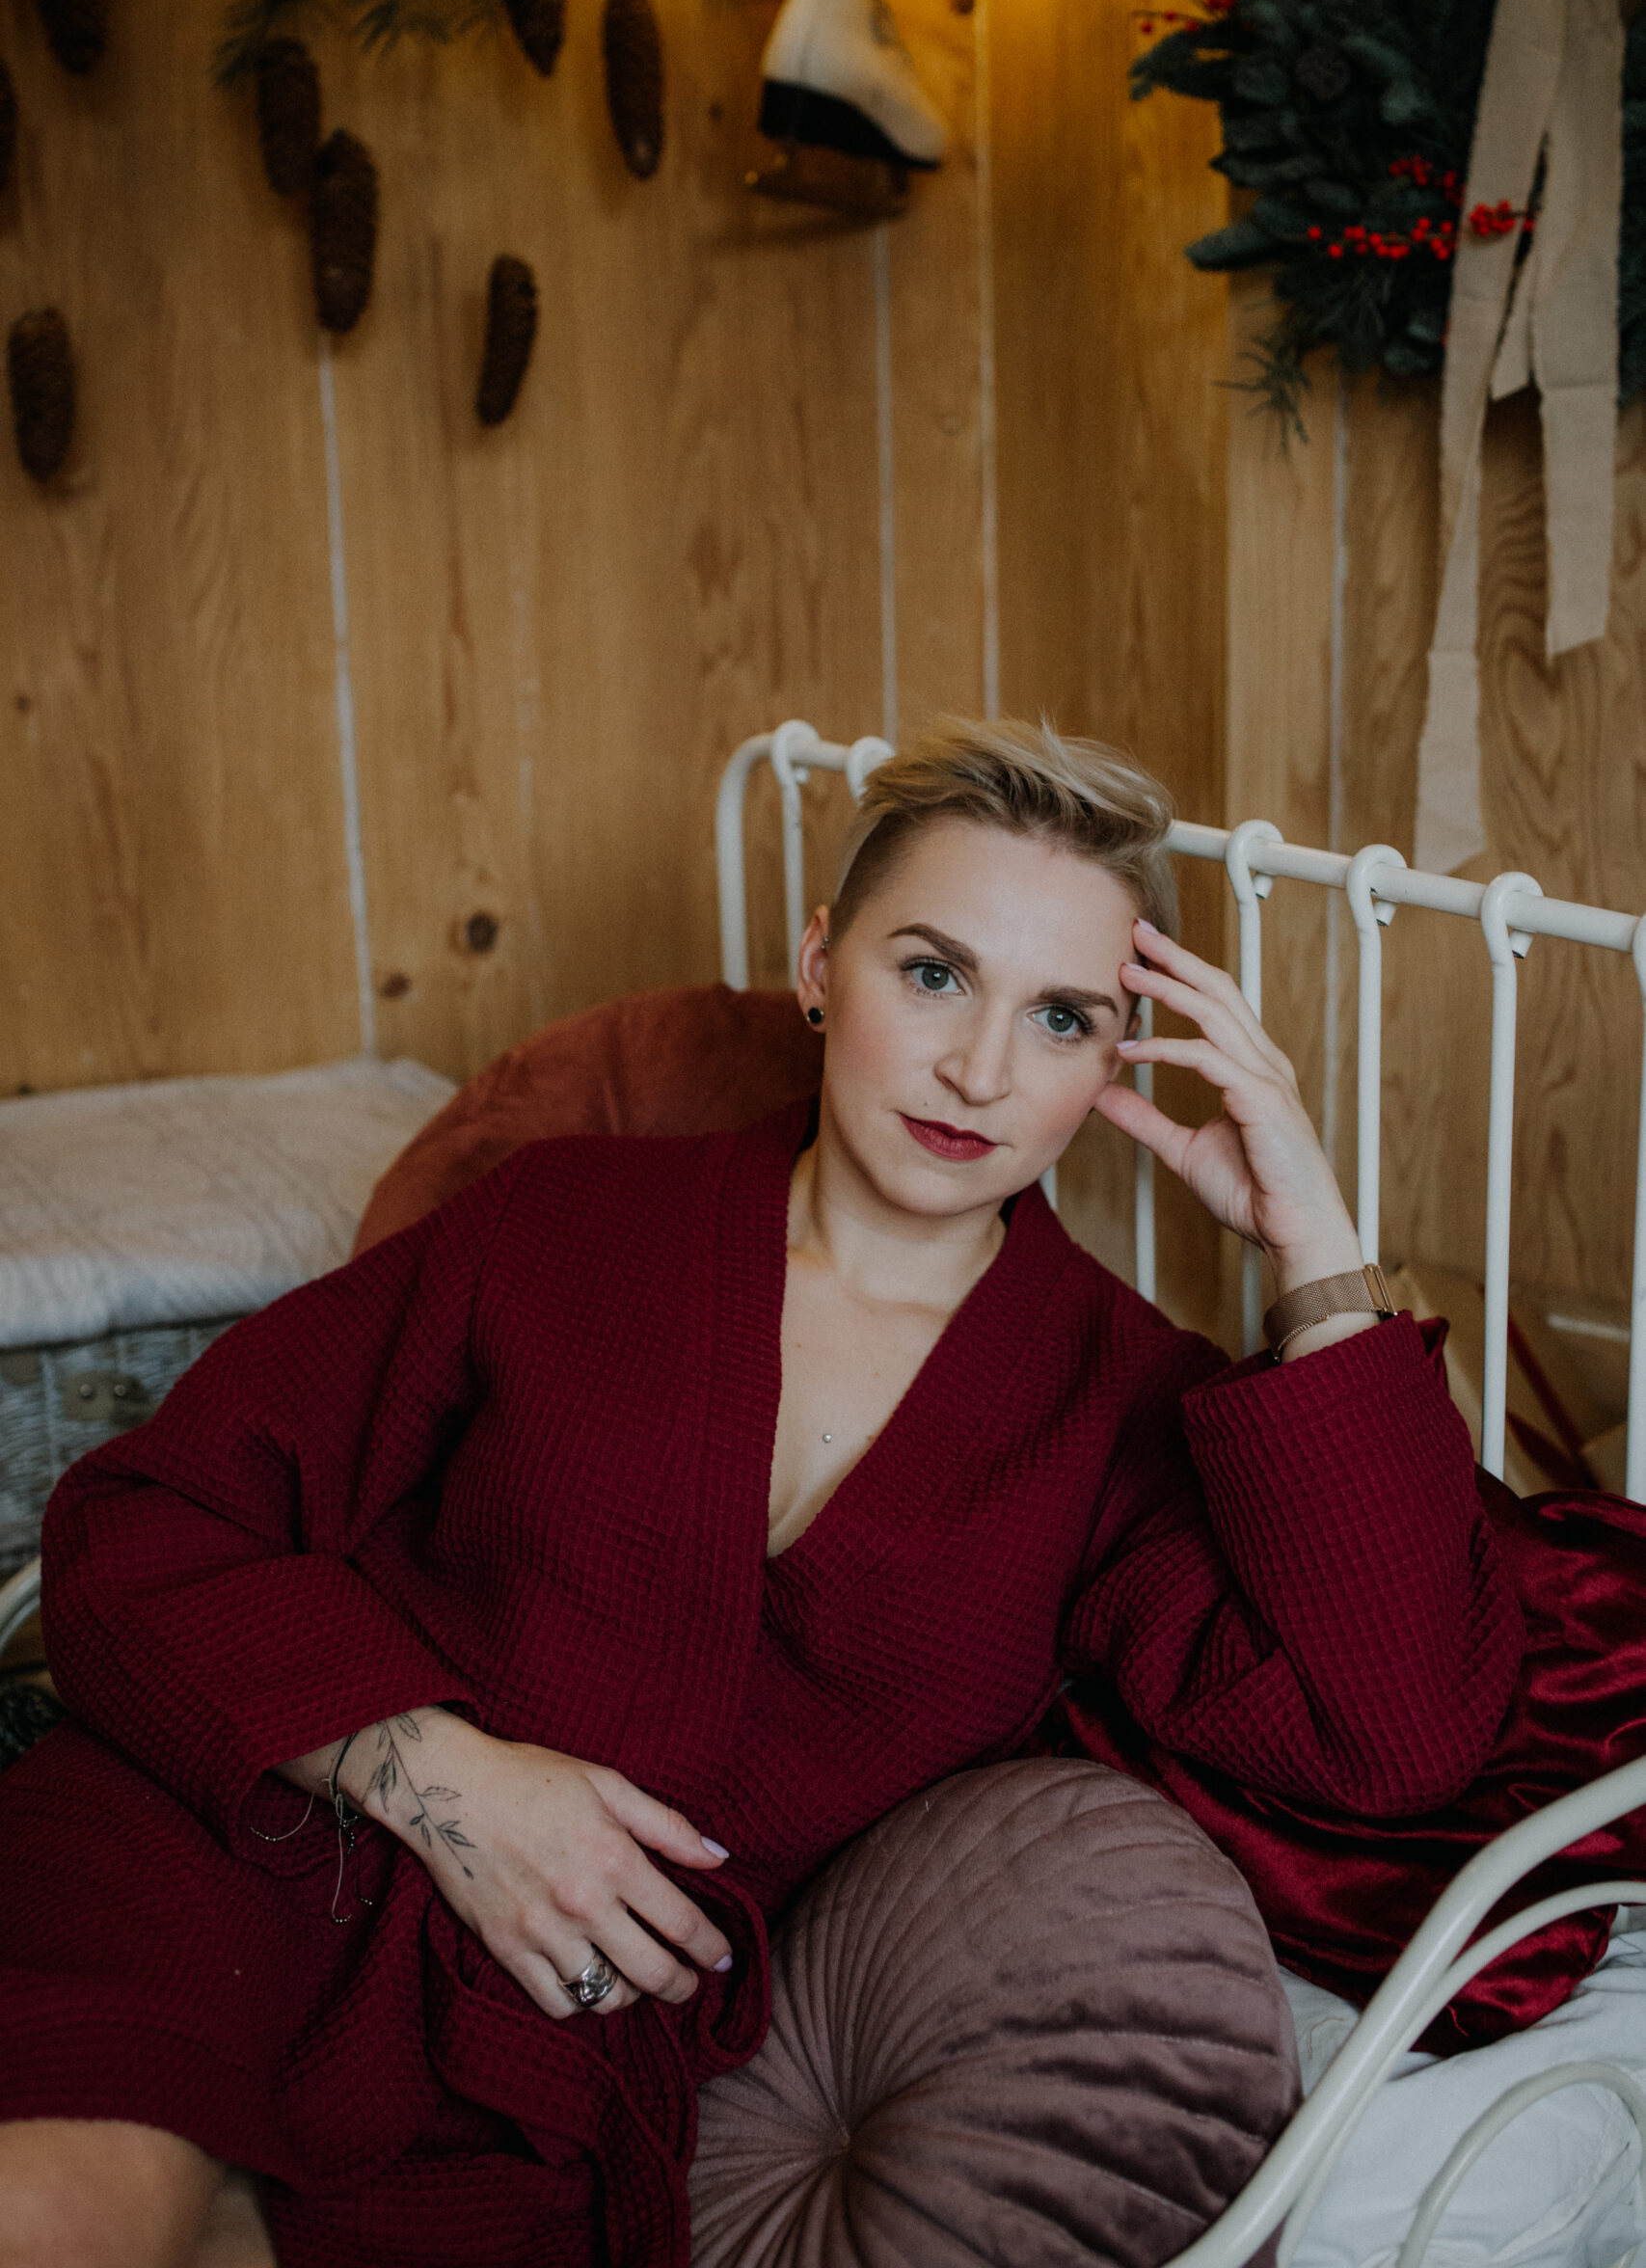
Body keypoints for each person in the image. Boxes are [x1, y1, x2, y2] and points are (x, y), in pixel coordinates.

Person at [0, 717, 1521, 2268]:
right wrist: (450, 1786)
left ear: (1113, 1061)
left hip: (543, 2066)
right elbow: (141, 1519)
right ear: (817, 964)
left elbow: (1398, 1729)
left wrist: (1314, 1250)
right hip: (233, 1849)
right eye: (933, 974)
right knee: (55, 2217)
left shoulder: (1114, 1402)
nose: (980, 1071)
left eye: (1061, 1017)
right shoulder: (561, 1217)